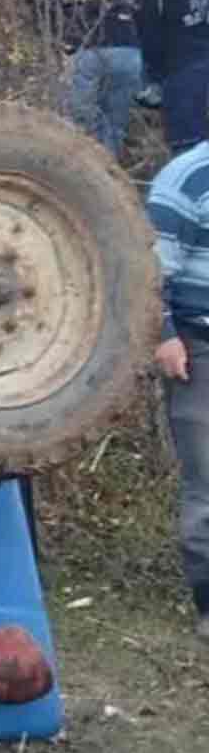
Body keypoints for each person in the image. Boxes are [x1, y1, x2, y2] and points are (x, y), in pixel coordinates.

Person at [149, 140, 209, 638]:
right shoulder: (188, 178)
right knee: (207, 483)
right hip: (200, 347)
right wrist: (165, 335)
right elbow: (149, 274)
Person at [32, 0, 144, 157]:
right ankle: (111, 164)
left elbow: (44, 12)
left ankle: (91, 162)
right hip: (129, 50)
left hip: (88, 50)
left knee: (81, 114)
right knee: (116, 119)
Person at [125, 0, 209, 154]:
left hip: (182, 69)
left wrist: (153, 78)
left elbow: (149, 38)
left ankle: (191, 185)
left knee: (187, 142)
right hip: (201, 58)